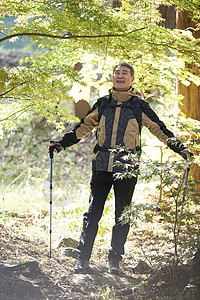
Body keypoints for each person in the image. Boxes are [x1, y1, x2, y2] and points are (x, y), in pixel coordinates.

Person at [48, 62, 193, 275]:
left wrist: (180, 149)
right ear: (113, 78)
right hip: (102, 166)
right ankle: (83, 259)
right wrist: (61, 144)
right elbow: (83, 127)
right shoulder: (103, 104)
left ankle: (114, 261)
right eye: (117, 73)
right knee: (92, 213)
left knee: (122, 216)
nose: (120, 76)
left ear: (132, 79)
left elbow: (159, 129)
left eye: (125, 73)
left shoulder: (138, 106)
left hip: (127, 168)